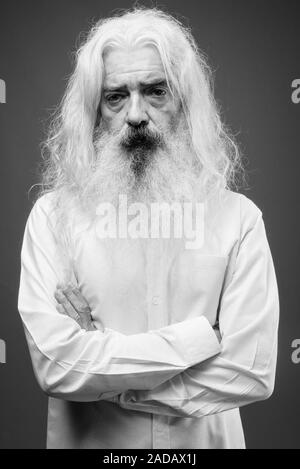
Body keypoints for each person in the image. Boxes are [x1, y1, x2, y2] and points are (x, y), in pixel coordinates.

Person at [17, 7, 279, 449]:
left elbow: (251, 373)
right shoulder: (52, 218)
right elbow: (57, 367)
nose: (136, 115)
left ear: (185, 102)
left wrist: (103, 367)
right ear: (95, 110)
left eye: (156, 91)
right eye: (115, 96)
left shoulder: (239, 219)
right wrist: (202, 340)